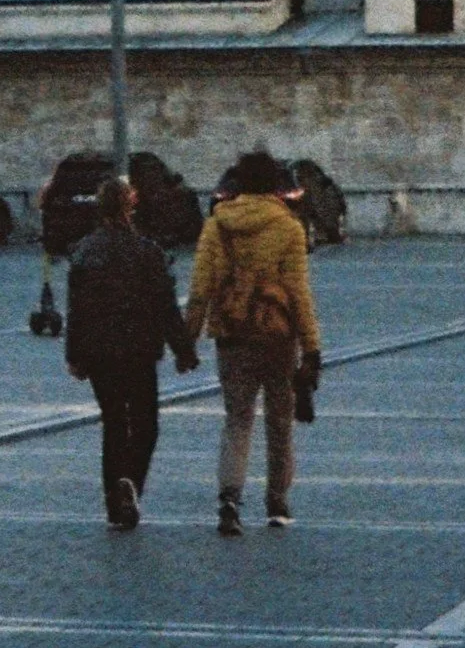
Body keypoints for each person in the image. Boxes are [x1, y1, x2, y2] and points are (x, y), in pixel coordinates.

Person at [184, 149, 323, 536]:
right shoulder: (288, 227)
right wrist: (311, 345)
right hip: (277, 334)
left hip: (231, 333)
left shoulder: (217, 225)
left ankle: (229, 498)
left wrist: (188, 338)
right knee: (280, 420)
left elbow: (200, 287)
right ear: (275, 185)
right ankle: (277, 500)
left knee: (237, 419)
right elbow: (298, 291)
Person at [66, 174, 198, 528]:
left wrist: (74, 355)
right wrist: (184, 349)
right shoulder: (148, 252)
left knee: (113, 423)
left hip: (98, 352)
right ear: (131, 205)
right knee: (145, 425)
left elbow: (76, 309)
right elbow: (165, 307)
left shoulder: (84, 251)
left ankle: (114, 501)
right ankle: (130, 483)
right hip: (139, 349)